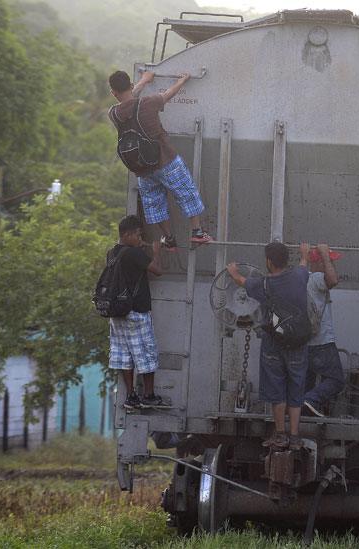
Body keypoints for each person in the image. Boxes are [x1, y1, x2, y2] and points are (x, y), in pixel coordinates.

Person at [108, 70, 211, 248]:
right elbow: (168, 94)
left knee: (154, 203)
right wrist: (182, 80)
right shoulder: (150, 102)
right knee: (186, 192)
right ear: (131, 86)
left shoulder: (114, 113)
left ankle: (169, 238)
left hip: (142, 169)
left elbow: (129, 102)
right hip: (165, 160)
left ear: (113, 92)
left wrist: (143, 81)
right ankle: (197, 232)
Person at [228, 242, 311, 450]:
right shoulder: (299, 277)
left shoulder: (262, 285)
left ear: (269, 262)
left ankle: (280, 435)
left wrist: (232, 270)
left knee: (277, 388)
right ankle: (294, 436)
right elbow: (303, 265)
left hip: (274, 343)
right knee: (296, 387)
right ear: (286, 260)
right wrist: (304, 253)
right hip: (299, 342)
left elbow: (240, 281)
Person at [108, 214, 168, 408]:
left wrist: (139, 249)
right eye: (137, 235)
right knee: (146, 353)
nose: (140, 239)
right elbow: (157, 270)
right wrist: (156, 251)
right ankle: (149, 395)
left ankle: (131, 396)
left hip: (117, 313)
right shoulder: (135, 254)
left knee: (124, 355)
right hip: (137, 312)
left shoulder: (113, 253)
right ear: (126, 234)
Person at [299, 243, 345, 417]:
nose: (332, 265)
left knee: (306, 385)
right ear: (317, 262)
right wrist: (325, 255)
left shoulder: (303, 279)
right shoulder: (317, 277)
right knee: (336, 380)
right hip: (321, 343)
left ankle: (301, 416)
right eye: (329, 262)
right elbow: (333, 280)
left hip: (305, 343)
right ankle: (310, 401)